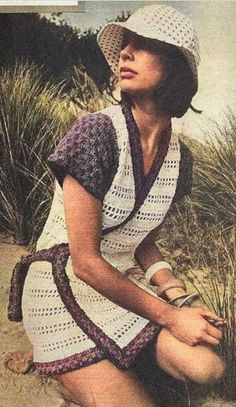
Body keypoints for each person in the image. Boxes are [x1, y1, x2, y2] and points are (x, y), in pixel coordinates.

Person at [8, 4, 226, 406]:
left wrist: (178, 295)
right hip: (61, 283)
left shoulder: (181, 160)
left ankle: (105, 359)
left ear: (176, 67)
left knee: (207, 368)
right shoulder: (95, 133)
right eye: (126, 45)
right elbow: (86, 262)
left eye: (142, 45)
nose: (125, 53)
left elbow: (142, 242)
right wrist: (170, 317)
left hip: (122, 284)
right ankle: (59, 363)